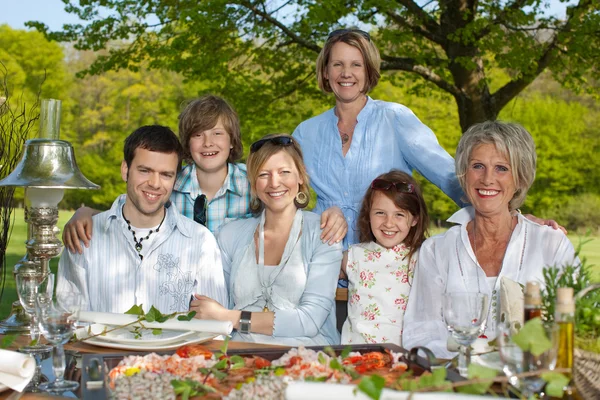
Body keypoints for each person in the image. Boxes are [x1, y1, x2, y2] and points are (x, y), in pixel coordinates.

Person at [402, 120, 577, 358]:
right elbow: (421, 335)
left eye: (502, 168)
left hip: (532, 385)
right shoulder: (437, 250)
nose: (487, 179)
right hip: (459, 386)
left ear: (521, 179)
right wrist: (475, 360)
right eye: (477, 166)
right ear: (464, 175)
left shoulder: (551, 245)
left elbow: (575, 327)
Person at [292, 29, 464, 249]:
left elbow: (448, 176)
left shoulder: (395, 119)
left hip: (386, 262)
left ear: (369, 70)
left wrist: (498, 215)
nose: (346, 73)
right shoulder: (306, 132)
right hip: (323, 256)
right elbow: (286, 197)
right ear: (325, 71)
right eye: (337, 64)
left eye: (356, 64)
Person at [56, 125, 228, 313]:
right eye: (145, 171)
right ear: (125, 170)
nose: (154, 183)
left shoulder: (200, 242)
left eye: (165, 174)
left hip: (176, 344)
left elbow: (214, 330)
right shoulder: (85, 236)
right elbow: (68, 322)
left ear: (175, 179)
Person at [191, 134, 343, 346]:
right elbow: (212, 306)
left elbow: (309, 320)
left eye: (284, 172)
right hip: (240, 354)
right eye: (264, 174)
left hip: (307, 355)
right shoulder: (230, 235)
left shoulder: (323, 234)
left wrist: (230, 317)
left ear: (301, 176)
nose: (274, 183)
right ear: (253, 184)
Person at [61, 95, 253, 253]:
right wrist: (87, 213)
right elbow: (131, 215)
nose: (208, 142)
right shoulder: (169, 182)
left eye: (217, 133)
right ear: (187, 143)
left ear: (232, 141)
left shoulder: (253, 183)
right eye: (198, 134)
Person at [341, 170, 429, 346]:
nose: (389, 223)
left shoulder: (422, 259)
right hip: (355, 357)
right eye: (380, 213)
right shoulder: (353, 256)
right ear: (368, 214)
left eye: (399, 214)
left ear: (414, 219)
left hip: (402, 359)